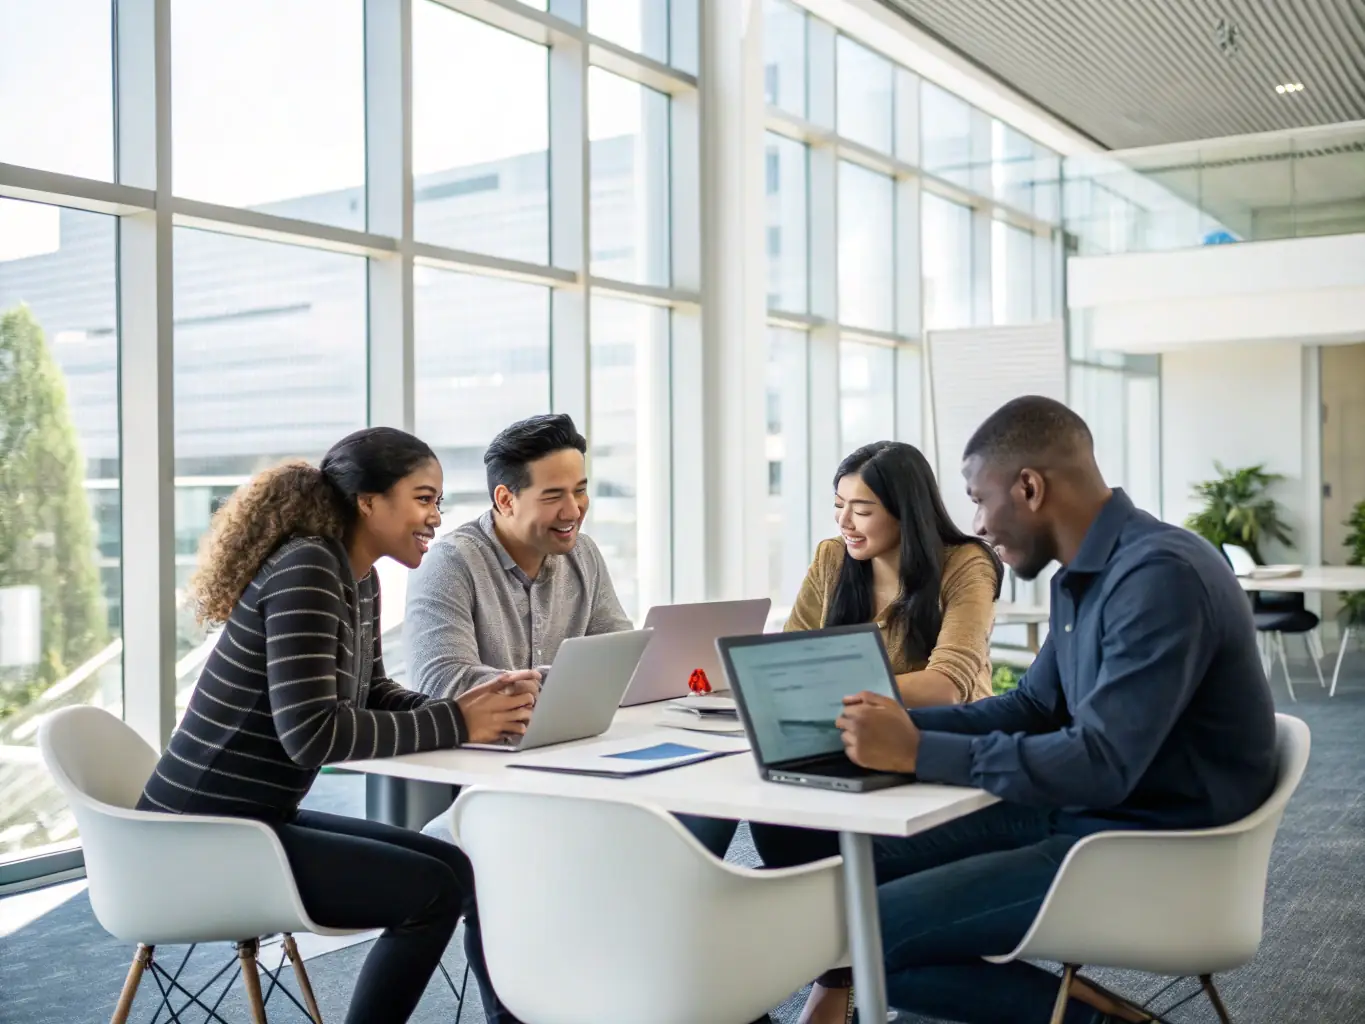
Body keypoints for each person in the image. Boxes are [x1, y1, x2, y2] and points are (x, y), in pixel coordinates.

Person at [797, 396, 1279, 1024]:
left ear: (1028, 488)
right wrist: (886, 728)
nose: (978, 523)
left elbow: (1102, 761)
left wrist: (915, 750)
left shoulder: (1159, 576)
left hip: (1148, 848)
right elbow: (1029, 707)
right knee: (844, 874)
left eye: (979, 498)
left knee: (866, 932)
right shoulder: (1087, 576)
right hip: (1086, 812)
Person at [137, 428, 540, 1024]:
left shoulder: (359, 577)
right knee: (431, 892)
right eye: (423, 498)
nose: (436, 516)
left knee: (454, 865)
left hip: (253, 818)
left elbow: (370, 691)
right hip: (193, 839)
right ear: (368, 502)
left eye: (438, 502)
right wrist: (455, 721)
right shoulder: (309, 568)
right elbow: (312, 736)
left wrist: (469, 709)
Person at [680, 440, 1003, 1014]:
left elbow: (946, 682)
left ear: (909, 511)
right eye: (838, 504)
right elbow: (787, 656)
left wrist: (822, 693)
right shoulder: (834, 559)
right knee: (772, 819)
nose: (845, 522)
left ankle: (835, 978)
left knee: (812, 865)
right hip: (844, 744)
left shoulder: (965, 563)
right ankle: (835, 970)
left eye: (863, 509)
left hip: (935, 755)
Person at [404, 412, 631, 700]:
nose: (574, 511)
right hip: (479, 745)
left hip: (567, 737)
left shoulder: (584, 555)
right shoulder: (450, 564)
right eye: (553, 496)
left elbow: (622, 659)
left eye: (580, 491)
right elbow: (443, 684)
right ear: (506, 500)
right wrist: (573, 680)